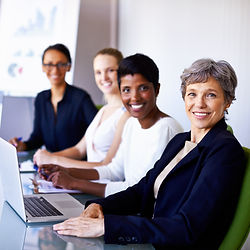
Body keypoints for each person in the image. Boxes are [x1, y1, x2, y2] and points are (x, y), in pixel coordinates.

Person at [53, 58, 246, 249]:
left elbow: (188, 227)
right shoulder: (180, 141)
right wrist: (100, 206)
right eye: (192, 94)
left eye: (210, 95)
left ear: (227, 101)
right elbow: (142, 190)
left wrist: (107, 226)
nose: (199, 104)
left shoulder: (225, 151)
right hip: (149, 241)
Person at [38, 53, 183, 197]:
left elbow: (139, 190)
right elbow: (113, 170)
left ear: (156, 89)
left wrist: (74, 183)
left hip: (148, 214)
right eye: (126, 90)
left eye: (143, 88)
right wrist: (66, 171)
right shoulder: (132, 123)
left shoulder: (166, 128)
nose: (134, 97)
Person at [33, 48, 130, 169]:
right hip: (90, 181)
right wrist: (46, 157)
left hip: (102, 183)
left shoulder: (127, 114)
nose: (104, 77)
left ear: (123, 72)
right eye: (98, 72)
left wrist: (54, 159)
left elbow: (107, 167)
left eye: (110, 70)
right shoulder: (104, 110)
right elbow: (79, 150)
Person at [9, 43, 97, 152]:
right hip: (51, 165)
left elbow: (98, 132)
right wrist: (22, 145)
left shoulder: (81, 98)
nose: (55, 70)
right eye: (49, 64)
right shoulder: (41, 99)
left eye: (60, 64)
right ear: (43, 67)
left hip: (76, 164)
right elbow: (37, 138)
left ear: (68, 66)